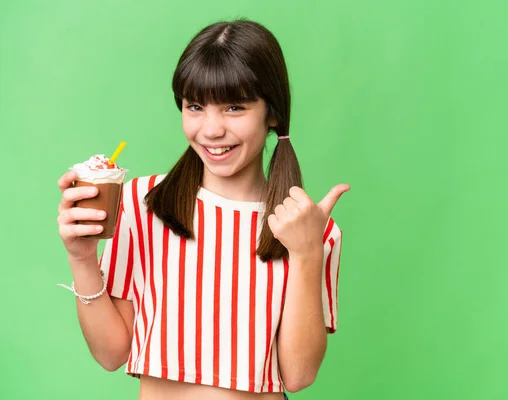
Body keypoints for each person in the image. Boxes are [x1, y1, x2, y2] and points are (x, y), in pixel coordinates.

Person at [56, 19, 349, 400]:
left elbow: (298, 374)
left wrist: (307, 252)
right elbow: (112, 354)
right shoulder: (142, 203)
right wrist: (81, 259)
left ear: (272, 113)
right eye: (195, 106)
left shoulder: (310, 228)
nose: (211, 130)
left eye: (234, 107)